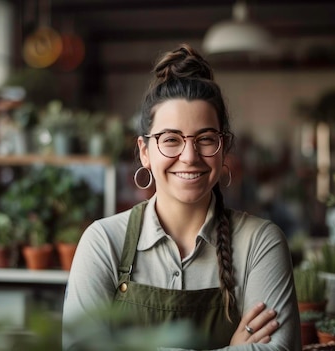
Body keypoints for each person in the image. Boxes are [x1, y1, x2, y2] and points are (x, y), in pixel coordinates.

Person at [62, 44, 301, 351]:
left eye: (205, 139)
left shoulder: (260, 243)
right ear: (145, 151)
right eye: (171, 140)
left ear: (223, 147)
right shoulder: (103, 242)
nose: (189, 156)